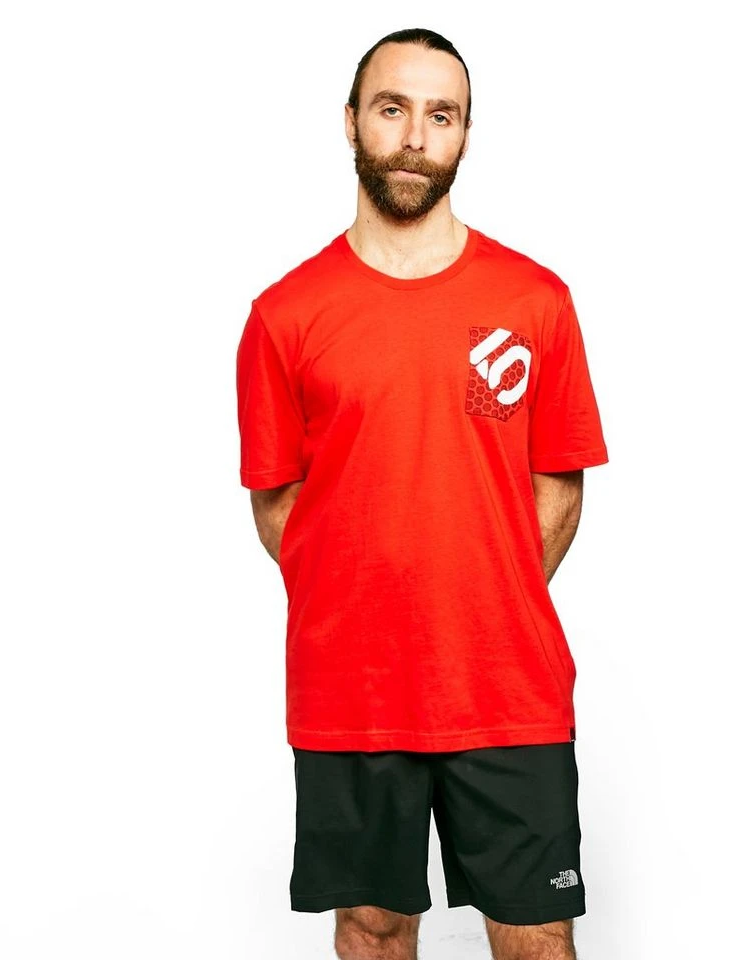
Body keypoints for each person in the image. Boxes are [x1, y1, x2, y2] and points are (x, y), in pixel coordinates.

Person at [235, 27, 608, 960]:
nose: (414, 136)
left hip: (508, 688)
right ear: (351, 121)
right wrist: (370, 605)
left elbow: (557, 487)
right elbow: (279, 507)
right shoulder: (284, 316)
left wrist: (477, 603)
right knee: (370, 929)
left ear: (466, 134)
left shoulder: (535, 302)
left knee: (535, 933)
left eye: (441, 115)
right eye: (392, 108)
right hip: (349, 695)